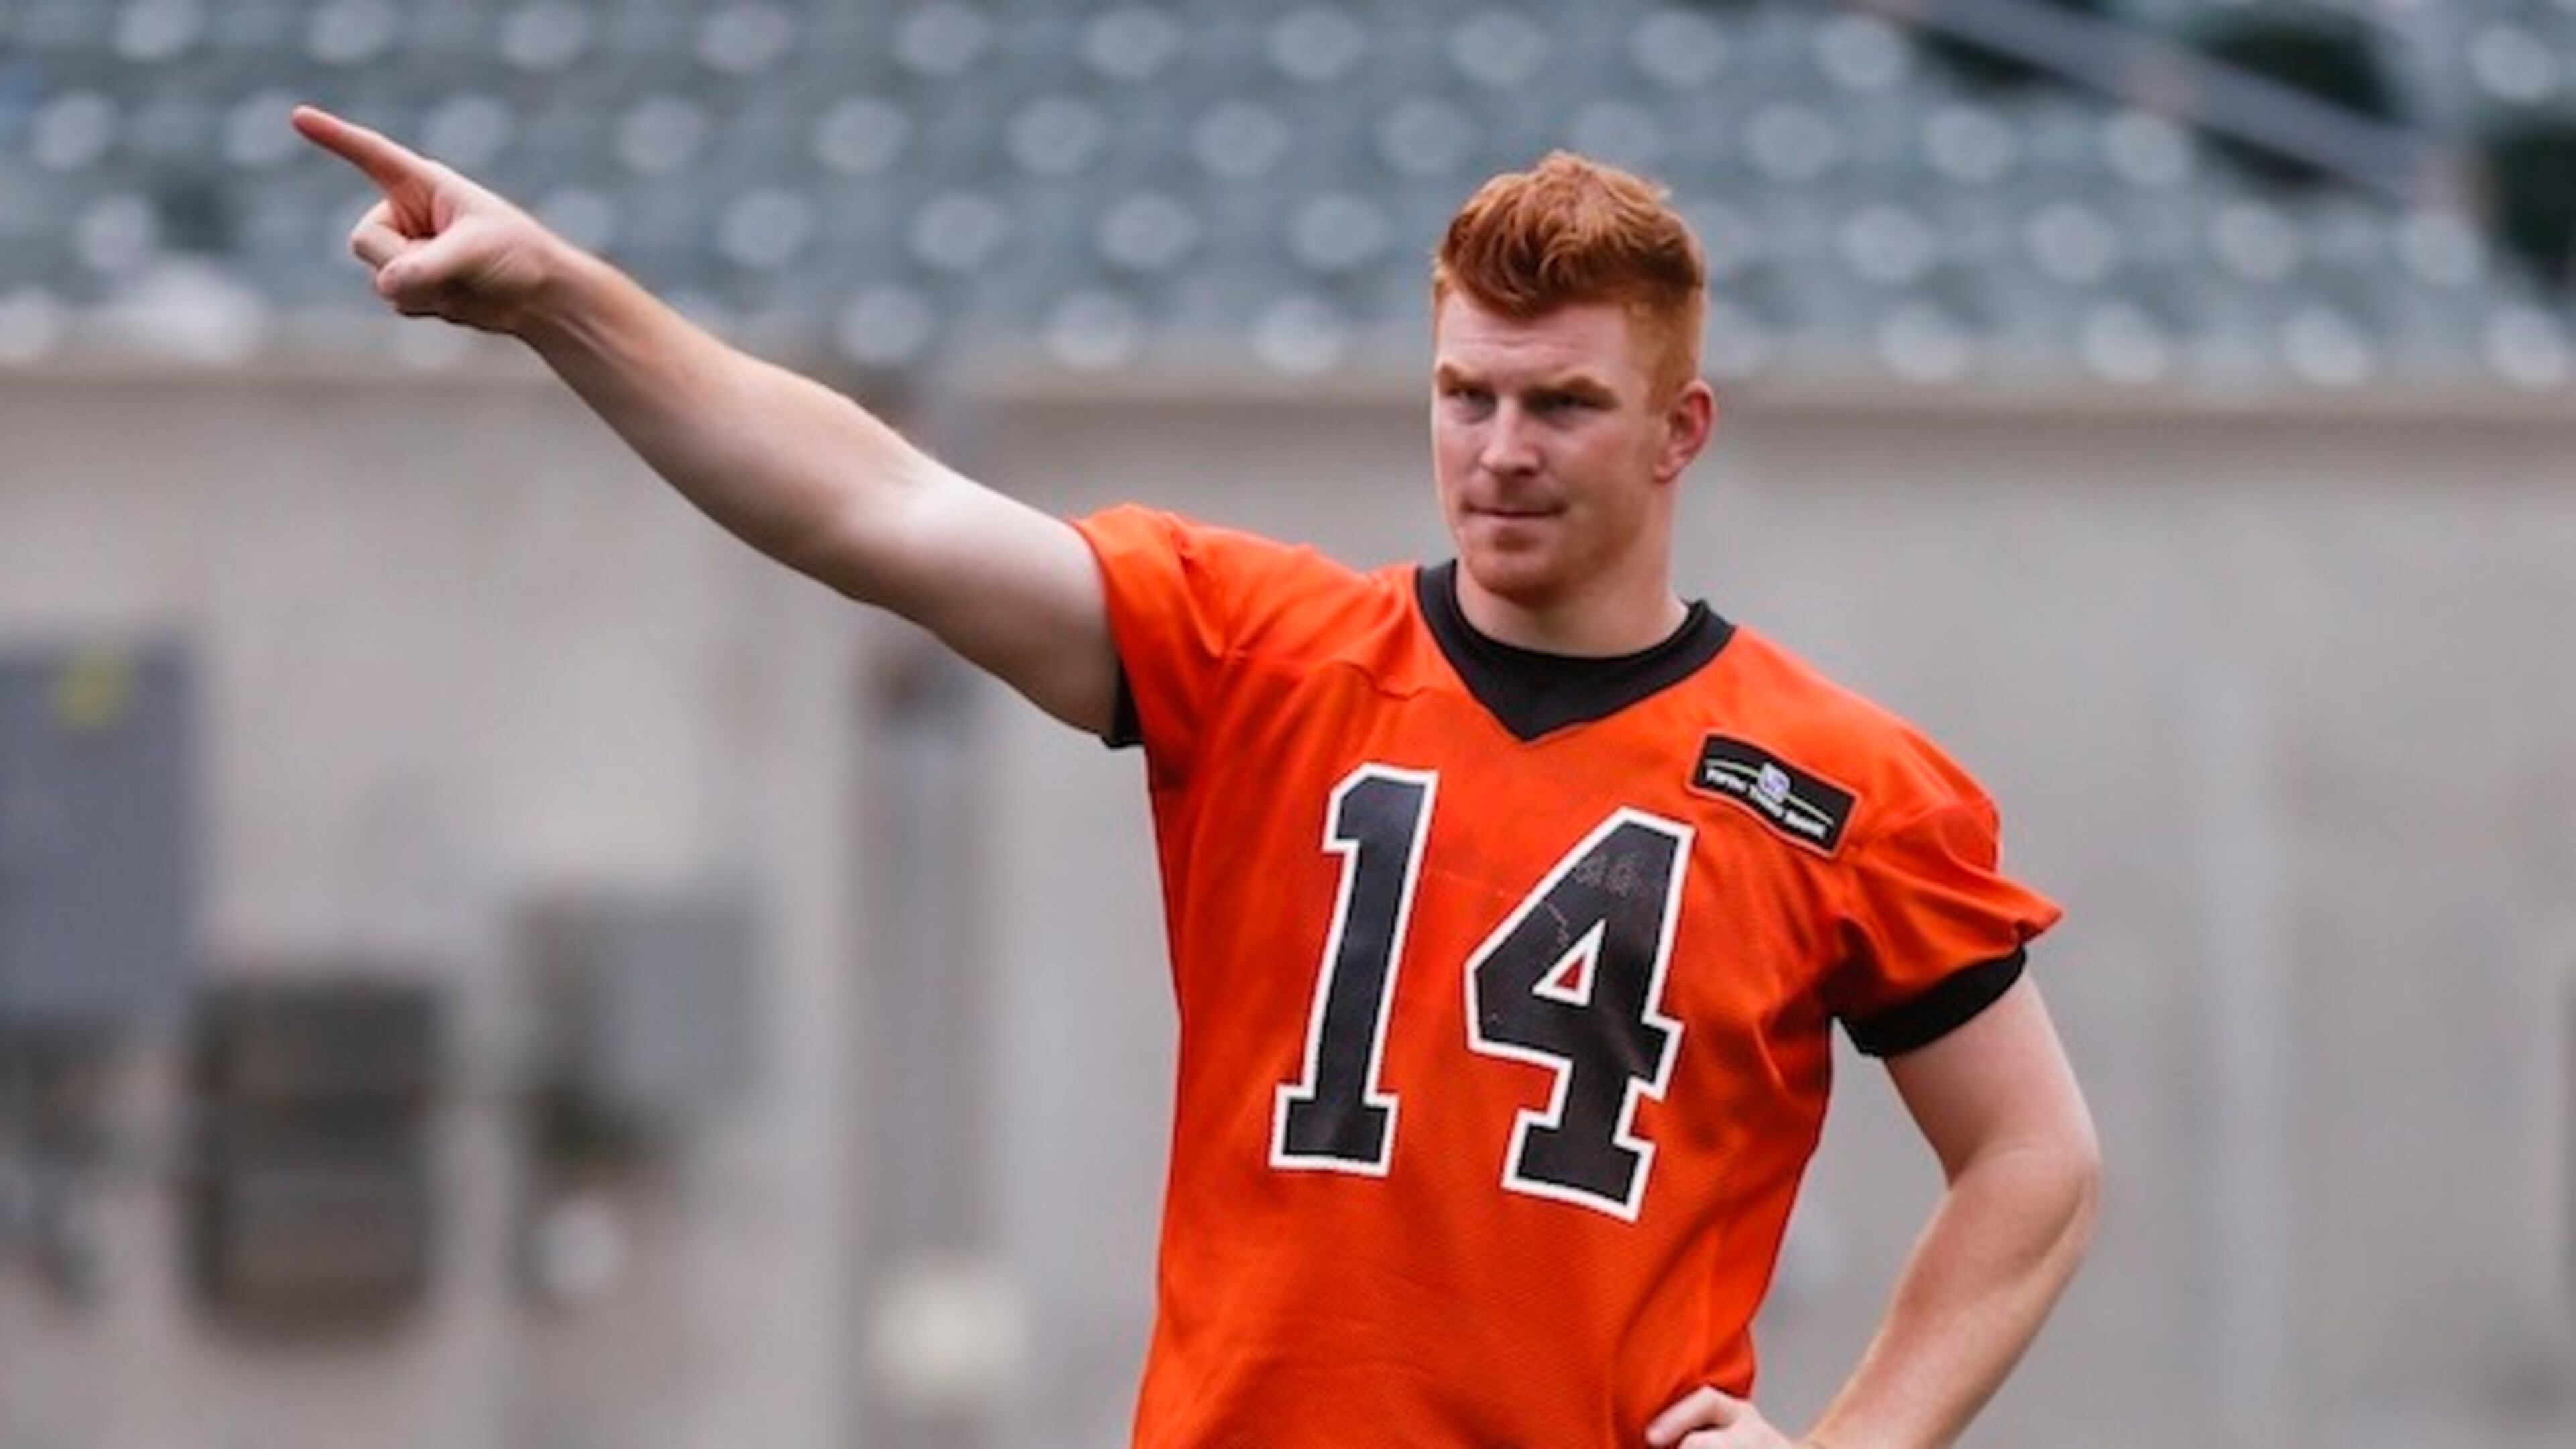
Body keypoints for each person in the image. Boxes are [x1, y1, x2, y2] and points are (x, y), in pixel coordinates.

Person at [293, 103, 2099, 1448]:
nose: (1500, 448)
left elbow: (2033, 1159)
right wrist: (557, 299)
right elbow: (879, 508)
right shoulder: (1260, 652)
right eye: (1467, 394)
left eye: (1561, 406)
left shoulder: (1836, 781)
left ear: (1678, 430)